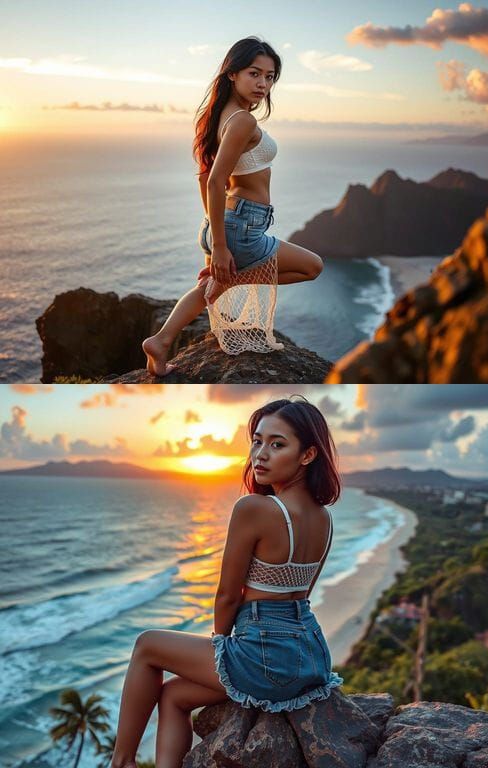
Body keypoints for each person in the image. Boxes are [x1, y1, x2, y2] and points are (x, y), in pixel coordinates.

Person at [108, 397, 342, 768]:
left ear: (308, 454)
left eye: (277, 444)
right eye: (257, 440)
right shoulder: (325, 518)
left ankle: (120, 762)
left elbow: (228, 595)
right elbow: (301, 596)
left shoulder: (256, 508)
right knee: (173, 696)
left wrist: (221, 648)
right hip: (311, 657)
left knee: (147, 645)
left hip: (265, 657)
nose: (260, 454)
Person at [142, 37, 323, 376]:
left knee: (210, 286)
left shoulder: (216, 118)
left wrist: (214, 231)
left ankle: (162, 340)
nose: (263, 84)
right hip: (241, 226)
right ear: (232, 74)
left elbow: (203, 180)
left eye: (270, 77)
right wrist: (222, 248)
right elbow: (214, 182)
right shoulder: (242, 121)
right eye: (254, 74)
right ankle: (170, 332)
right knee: (313, 267)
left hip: (225, 221)